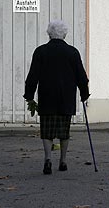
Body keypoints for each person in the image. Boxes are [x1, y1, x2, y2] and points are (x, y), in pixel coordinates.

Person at [23, 20, 89, 175]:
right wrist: (84, 93)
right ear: (64, 34)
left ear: (49, 33)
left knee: (46, 130)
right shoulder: (72, 52)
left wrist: (29, 95)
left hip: (47, 96)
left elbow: (33, 76)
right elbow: (81, 76)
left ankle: (47, 159)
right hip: (66, 97)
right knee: (64, 131)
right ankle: (63, 161)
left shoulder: (40, 51)